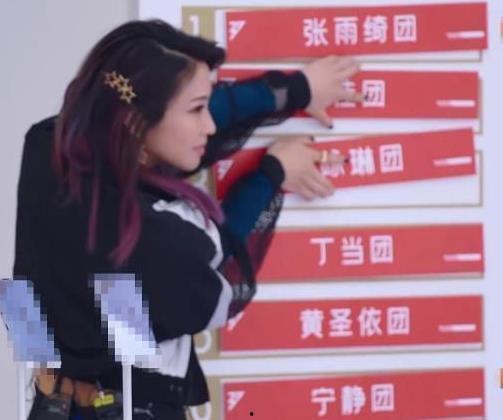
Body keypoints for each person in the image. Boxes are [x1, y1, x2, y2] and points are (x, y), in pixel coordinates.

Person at [14, 19, 361, 419]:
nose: (209, 125)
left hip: (53, 403)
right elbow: (220, 266)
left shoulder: (47, 148)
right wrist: (272, 173)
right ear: (135, 121)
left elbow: (169, 115)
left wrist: (295, 90)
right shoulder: (163, 238)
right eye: (197, 110)